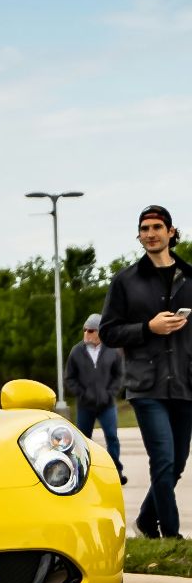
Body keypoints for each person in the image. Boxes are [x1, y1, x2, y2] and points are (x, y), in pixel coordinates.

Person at [99, 205, 192, 537]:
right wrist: (148, 328)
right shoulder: (125, 281)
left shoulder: (189, 278)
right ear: (139, 236)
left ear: (170, 232)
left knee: (176, 463)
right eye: (144, 228)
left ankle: (145, 520)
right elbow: (108, 332)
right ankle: (171, 534)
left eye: (156, 227)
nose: (150, 234)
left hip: (185, 384)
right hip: (146, 385)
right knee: (163, 459)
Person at [64, 313, 126, 484]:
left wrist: (110, 393)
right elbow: (70, 378)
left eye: (90, 330)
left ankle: (116, 472)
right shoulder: (76, 351)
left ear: (100, 332)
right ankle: (83, 474)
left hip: (107, 405)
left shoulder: (113, 351)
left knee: (112, 437)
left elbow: (119, 375)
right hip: (85, 405)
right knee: (83, 440)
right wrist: (83, 394)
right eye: (84, 330)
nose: (86, 333)